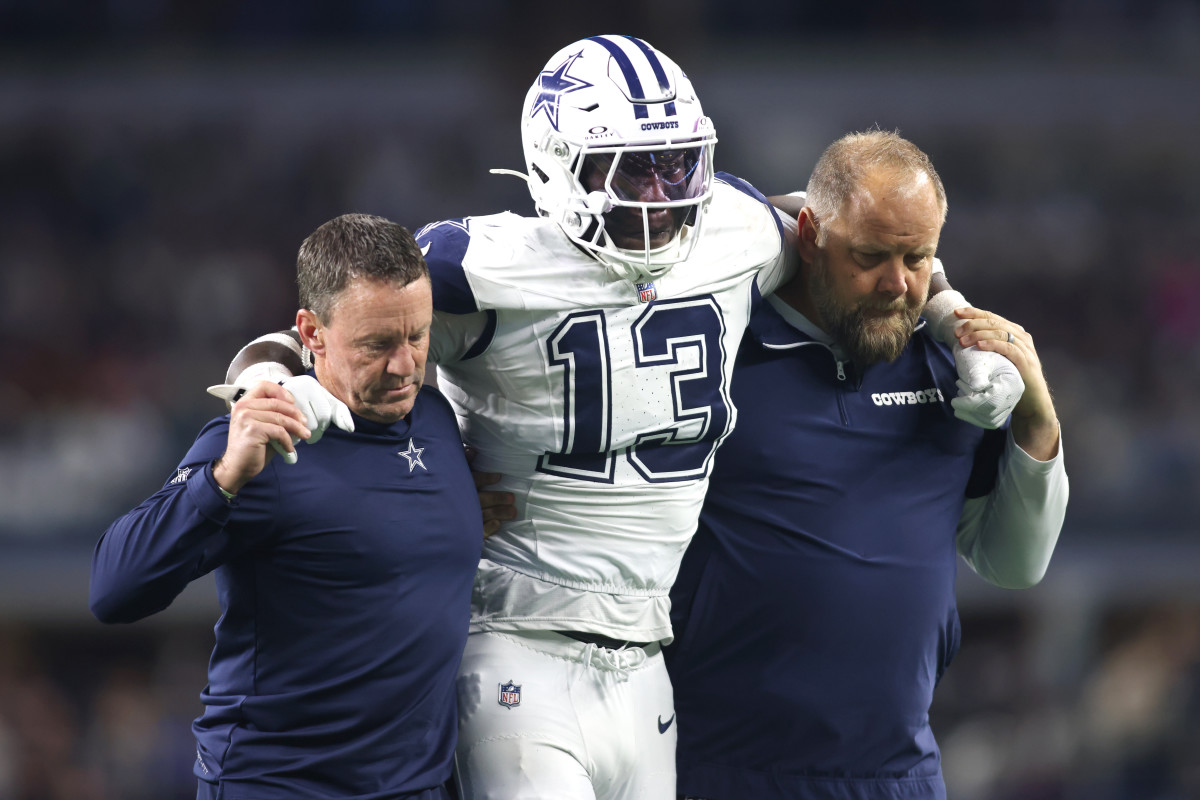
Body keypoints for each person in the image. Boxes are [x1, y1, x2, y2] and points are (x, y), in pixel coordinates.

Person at [216, 37, 1020, 799]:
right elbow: (319, 335)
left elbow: (863, 230)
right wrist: (261, 385)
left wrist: (951, 315)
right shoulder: (485, 264)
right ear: (558, 166)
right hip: (516, 640)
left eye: (677, 165)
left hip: (647, 660)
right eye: (634, 172)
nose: (664, 196)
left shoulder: (733, 229)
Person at [663, 131, 1068, 800]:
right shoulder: (719, 351)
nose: (897, 283)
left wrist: (1038, 418)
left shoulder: (952, 370)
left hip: (898, 775)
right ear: (810, 234)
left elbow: (1015, 564)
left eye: (919, 258)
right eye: (871, 256)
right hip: (721, 770)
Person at [90, 214, 484, 800]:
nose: (404, 365)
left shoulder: (437, 420)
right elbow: (112, 589)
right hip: (280, 786)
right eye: (376, 344)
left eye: (418, 336)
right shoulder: (264, 439)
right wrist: (222, 478)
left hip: (417, 788)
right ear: (312, 332)